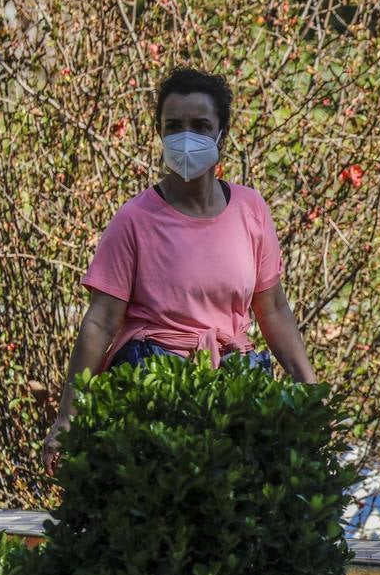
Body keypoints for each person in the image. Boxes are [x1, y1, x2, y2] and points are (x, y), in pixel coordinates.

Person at [42, 68, 316, 475]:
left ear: (222, 132)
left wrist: (310, 394)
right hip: (151, 385)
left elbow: (272, 307)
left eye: (200, 125)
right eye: (174, 126)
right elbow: (100, 322)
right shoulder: (134, 220)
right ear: (159, 133)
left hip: (233, 384)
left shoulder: (250, 209)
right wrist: (68, 416)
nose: (186, 137)